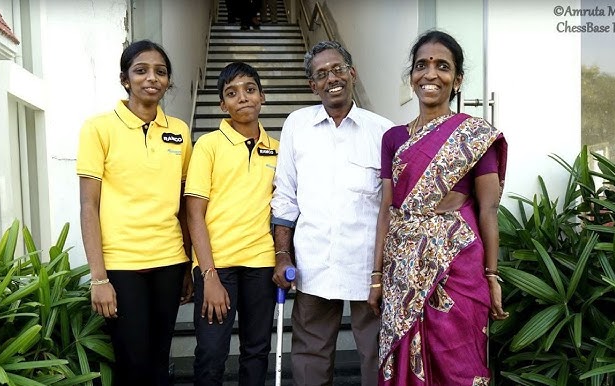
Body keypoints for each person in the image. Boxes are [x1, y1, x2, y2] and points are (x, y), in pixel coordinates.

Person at [370, 30, 509, 385]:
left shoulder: (477, 136)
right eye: (422, 65)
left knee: (460, 362)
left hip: (458, 268)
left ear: (457, 79)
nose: (430, 74)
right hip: (402, 268)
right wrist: (375, 278)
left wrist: (492, 277)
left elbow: (488, 211)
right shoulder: (394, 139)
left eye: (442, 66)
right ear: (412, 76)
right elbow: (387, 208)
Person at [271, 41, 394, 386]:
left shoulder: (383, 131)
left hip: (367, 266)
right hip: (313, 261)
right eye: (321, 74)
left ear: (352, 74)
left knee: (377, 353)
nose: (332, 78)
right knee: (310, 355)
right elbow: (285, 197)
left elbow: (392, 204)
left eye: (338, 69)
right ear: (313, 85)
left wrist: (384, 268)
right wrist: (282, 255)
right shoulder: (297, 125)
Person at [77, 40, 193, 386]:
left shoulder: (180, 132)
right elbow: (88, 205)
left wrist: (187, 263)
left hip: (169, 261)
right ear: (125, 79)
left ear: (168, 81)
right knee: (132, 362)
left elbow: (185, 203)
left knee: (159, 360)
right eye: (141, 70)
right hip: (121, 266)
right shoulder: (99, 128)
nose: (151, 78)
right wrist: (99, 278)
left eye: (160, 71)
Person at [185, 61, 279, 386]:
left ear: (262, 96)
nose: (243, 98)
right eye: (232, 93)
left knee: (256, 351)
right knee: (211, 353)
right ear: (223, 104)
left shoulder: (278, 150)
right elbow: (194, 212)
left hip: (262, 264)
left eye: (250, 90)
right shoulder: (208, 145)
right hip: (218, 266)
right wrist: (208, 275)